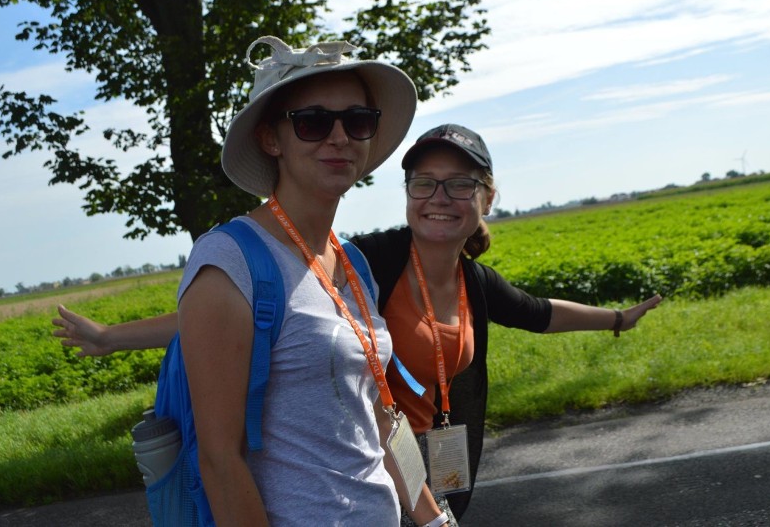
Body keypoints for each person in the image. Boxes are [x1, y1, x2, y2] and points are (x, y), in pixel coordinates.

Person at [55, 124, 661, 523]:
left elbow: (540, 313)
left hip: (423, 472)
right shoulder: (366, 259)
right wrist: (110, 338)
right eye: (424, 182)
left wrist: (616, 320)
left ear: (485, 199)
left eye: (459, 185)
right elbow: (226, 316)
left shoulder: (474, 279)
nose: (440, 197)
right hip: (356, 479)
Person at [116, 33, 454, 526]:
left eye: (357, 121)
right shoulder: (229, 262)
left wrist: (433, 519)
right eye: (313, 122)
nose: (339, 137)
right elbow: (219, 460)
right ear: (271, 139)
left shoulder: (353, 263)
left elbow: (377, 417)